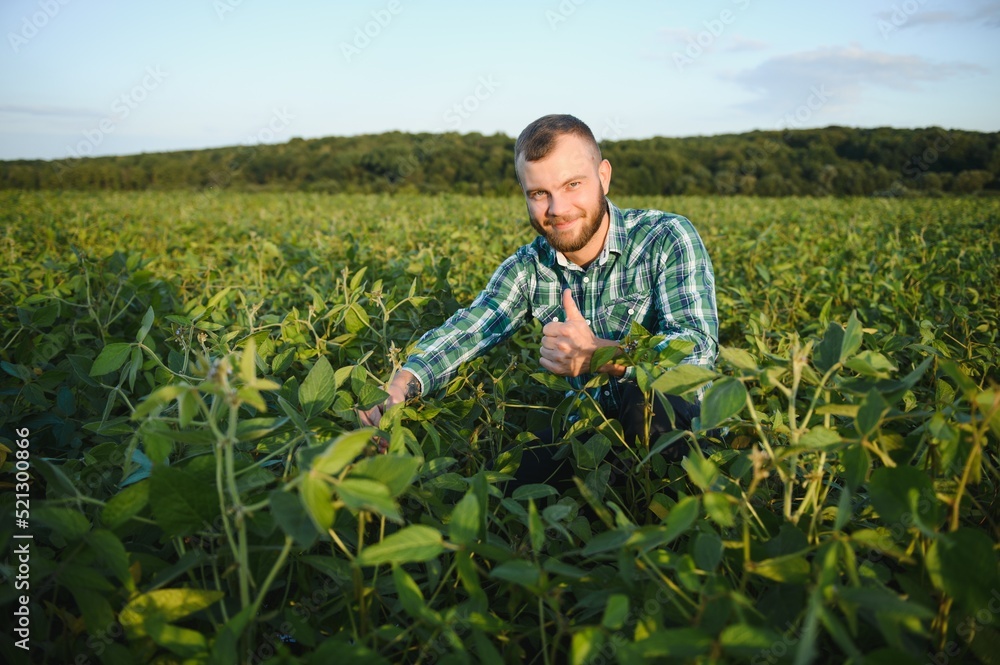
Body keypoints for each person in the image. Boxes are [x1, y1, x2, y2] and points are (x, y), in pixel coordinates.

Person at [359, 114, 718, 485]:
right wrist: (403, 383)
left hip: (680, 434)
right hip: (592, 436)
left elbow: (697, 349)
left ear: (603, 177)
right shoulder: (530, 267)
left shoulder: (665, 237)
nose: (557, 209)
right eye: (539, 194)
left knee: (648, 400)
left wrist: (604, 355)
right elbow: (474, 326)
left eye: (572, 185)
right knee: (521, 474)